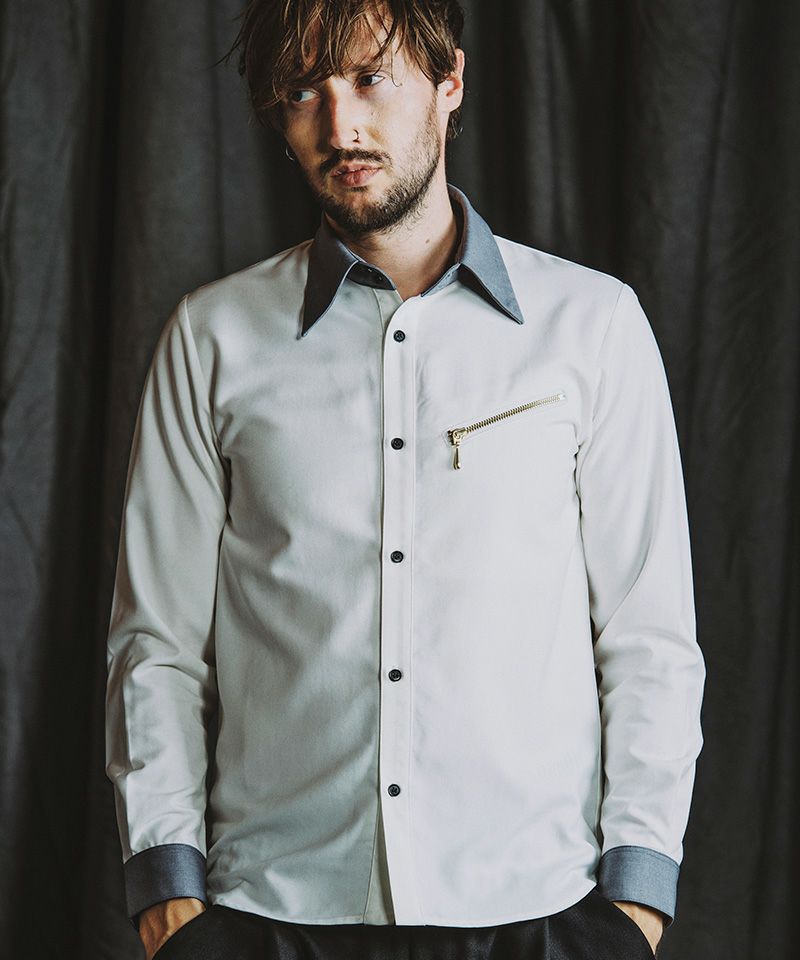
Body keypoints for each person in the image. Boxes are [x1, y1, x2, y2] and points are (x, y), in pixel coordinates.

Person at [104, 1, 706, 958]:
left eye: (370, 77)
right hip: (272, 912)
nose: (340, 125)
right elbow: (158, 647)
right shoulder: (210, 338)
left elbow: (647, 637)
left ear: (449, 82)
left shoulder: (594, 327)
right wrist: (167, 893)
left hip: (540, 910)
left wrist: (636, 899)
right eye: (304, 92)